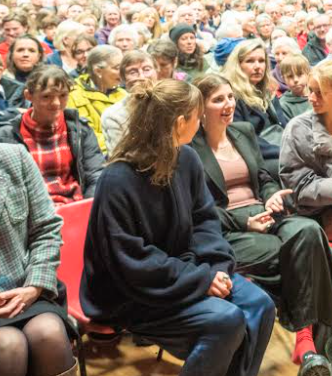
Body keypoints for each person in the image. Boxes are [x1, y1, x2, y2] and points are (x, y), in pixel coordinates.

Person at [80, 78, 276, 376]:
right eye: (197, 117)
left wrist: (215, 268)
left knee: (261, 305)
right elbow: (132, 260)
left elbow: (205, 222)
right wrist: (199, 279)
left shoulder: (187, 158)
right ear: (180, 122)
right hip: (131, 292)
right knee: (226, 320)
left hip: (186, 272)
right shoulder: (117, 179)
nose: (199, 124)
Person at [192, 74, 332, 376]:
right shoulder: (189, 148)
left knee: (310, 232)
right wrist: (245, 221)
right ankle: (312, 343)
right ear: (201, 106)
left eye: (231, 97)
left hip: (263, 214)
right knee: (305, 255)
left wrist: (272, 197)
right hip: (227, 228)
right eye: (218, 99)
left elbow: (263, 177)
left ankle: (308, 342)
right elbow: (199, 210)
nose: (228, 104)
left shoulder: (243, 132)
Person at [0, 142, 78, 376]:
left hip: (28, 290)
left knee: (48, 333)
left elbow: (46, 229)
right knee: (7, 344)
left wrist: (33, 286)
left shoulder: (15, 158)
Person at [0, 65, 105, 204]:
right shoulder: (4, 136)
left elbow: (95, 175)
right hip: (30, 215)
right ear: (28, 96)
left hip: (75, 205)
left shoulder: (80, 129)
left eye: (63, 95)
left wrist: (88, 209)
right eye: (46, 96)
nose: (56, 103)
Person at [280, 59, 332, 242]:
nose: (311, 98)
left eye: (319, 93)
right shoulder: (297, 129)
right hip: (317, 215)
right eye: (310, 90)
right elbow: (298, 188)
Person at [224, 39, 283, 173]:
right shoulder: (231, 96)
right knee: (293, 168)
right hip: (256, 156)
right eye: (250, 61)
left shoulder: (268, 91)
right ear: (238, 65)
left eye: (261, 61)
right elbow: (243, 139)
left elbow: (283, 125)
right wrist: (284, 152)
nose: (258, 66)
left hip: (279, 147)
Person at [67, 45, 125, 155]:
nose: (123, 72)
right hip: (98, 156)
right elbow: (87, 136)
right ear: (98, 71)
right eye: (117, 68)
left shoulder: (124, 94)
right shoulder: (74, 95)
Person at [100, 50, 157, 156]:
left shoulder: (170, 106)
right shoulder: (113, 115)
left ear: (156, 72)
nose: (142, 77)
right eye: (133, 72)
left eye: (147, 69)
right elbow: (119, 158)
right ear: (122, 78)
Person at [274, 54, 313, 126]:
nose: (295, 80)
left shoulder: (317, 94)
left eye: (300, 74)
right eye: (290, 76)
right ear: (283, 79)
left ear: (308, 74)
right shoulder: (284, 105)